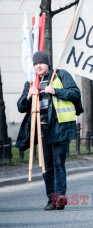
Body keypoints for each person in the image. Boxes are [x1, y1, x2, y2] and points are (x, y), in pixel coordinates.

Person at [16, 51, 81, 211]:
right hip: (40, 130)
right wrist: (28, 97)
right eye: (36, 63)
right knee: (46, 166)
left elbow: (75, 94)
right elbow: (21, 107)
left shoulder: (60, 75)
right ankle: (51, 199)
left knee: (59, 163)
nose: (38, 66)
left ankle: (59, 197)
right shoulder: (31, 82)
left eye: (41, 63)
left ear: (47, 64)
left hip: (60, 127)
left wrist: (56, 91)